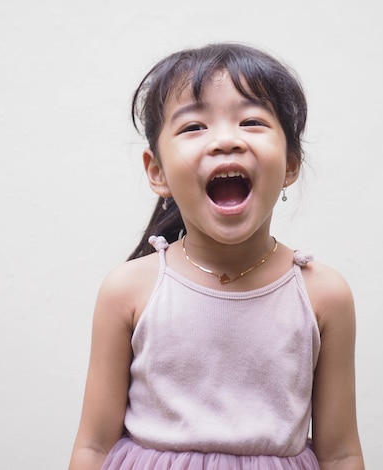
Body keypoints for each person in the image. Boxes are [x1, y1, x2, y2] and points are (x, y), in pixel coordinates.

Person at [69, 43, 364, 470]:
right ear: (158, 172)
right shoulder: (130, 289)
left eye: (252, 121)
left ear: (290, 165)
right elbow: (93, 447)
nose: (226, 140)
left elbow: (340, 453)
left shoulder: (324, 296)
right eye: (193, 127)